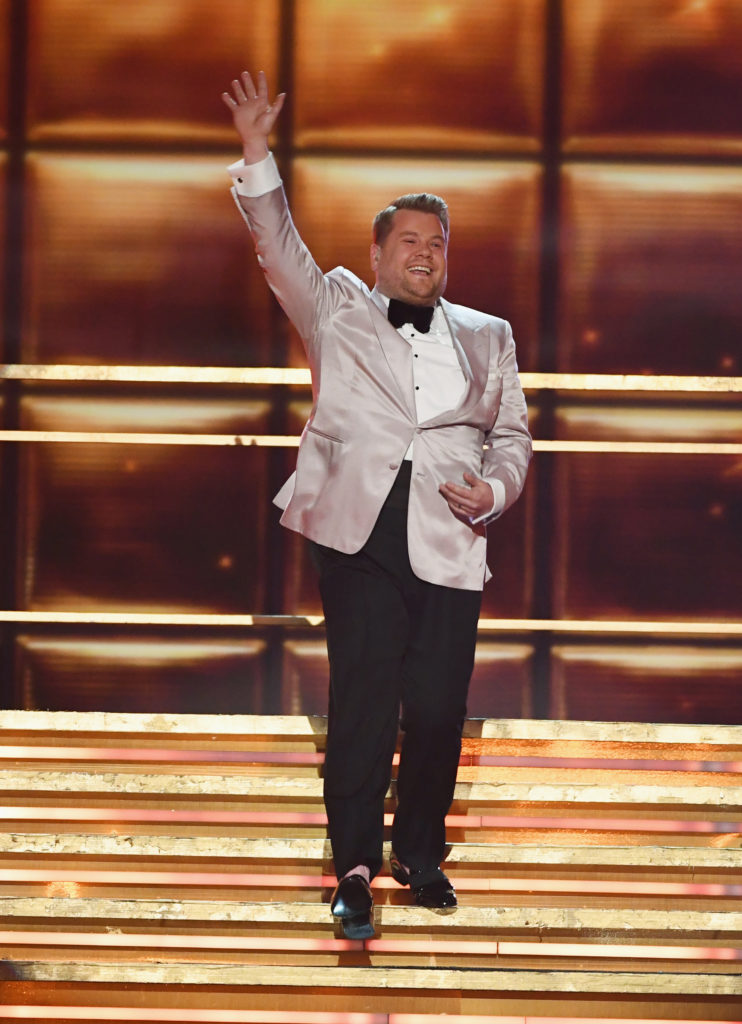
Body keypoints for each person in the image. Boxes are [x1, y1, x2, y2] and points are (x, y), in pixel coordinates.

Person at [222, 71, 532, 939]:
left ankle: (418, 852)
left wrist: (494, 489)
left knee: (435, 707)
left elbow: (513, 436)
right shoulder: (336, 308)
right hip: (357, 525)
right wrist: (256, 147)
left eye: (438, 242)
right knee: (363, 695)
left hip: (451, 529)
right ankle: (354, 867)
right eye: (409, 240)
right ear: (378, 252)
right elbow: (277, 243)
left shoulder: (489, 335)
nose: (425, 253)